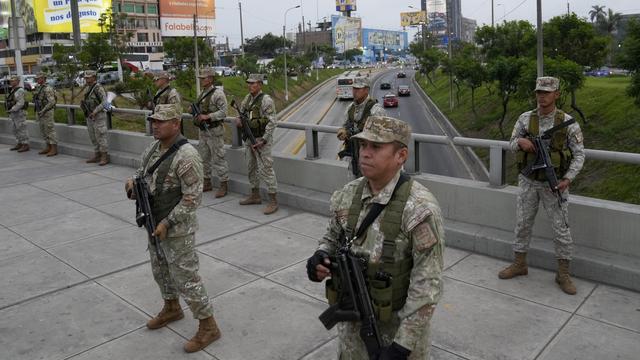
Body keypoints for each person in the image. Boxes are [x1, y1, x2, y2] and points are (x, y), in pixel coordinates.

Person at [307, 116, 445, 360]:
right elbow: (333, 236)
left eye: (376, 147)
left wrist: (401, 347)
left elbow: (427, 285)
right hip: (352, 329)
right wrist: (321, 255)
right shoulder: (349, 193)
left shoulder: (419, 209)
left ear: (401, 155)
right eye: (362, 145)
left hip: (396, 335)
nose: (365, 154)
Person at [125, 104, 221, 353]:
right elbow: (141, 173)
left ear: (176, 124)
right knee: (161, 271)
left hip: (177, 229)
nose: (155, 125)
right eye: (153, 120)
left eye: (161, 121)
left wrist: (168, 222)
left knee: (187, 279)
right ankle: (171, 308)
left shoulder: (187, 155)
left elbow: (192, 198)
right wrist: (132, 185)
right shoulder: (153, 148)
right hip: (153, 221)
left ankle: (208, 326)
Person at [498, 76, 585, 295]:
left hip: (554, 185)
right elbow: (510, 144)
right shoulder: (525, 119)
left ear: (556, 94)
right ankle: (520, 264)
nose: (542, 96)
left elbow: (579, 155)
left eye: (547, 92)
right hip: (528, 182)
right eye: (539, 92)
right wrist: (521, 143)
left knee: (561, 229)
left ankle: (563, 274)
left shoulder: (568, 122)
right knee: (522, 224)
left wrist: (567, 179)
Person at [234, 73, 279, 214]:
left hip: (261, 140)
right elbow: (241, 114)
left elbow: (272, 122)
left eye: (253, 83)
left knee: (266, 169)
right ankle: (255, 195)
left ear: (260, 84)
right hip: (249, 139)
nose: (250, 85)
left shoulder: (266, 100)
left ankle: (273, 200)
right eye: (249, 83)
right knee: (250, 167)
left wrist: (264, 139)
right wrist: (238, 120)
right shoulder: (247, 99)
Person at [337, 77, 386, 177]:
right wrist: (343, 131)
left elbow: (381, 136)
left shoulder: (375, 109)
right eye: (353, 88)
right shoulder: (350, 108)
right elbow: (344, 125)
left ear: (366, 90)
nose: (354, 92)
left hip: (370, 156)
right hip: (354, 155)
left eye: (358, 89)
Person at [194, 68, 229, 197]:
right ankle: (207, 182)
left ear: (210, 79)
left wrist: (208, 116)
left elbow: (224, 112)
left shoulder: (218, 94)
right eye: (201, 78)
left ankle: (223, 185)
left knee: (218, 158)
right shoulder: (202, 93)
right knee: (204, 158)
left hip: (214, 131)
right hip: (203, 132)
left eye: (203, 78)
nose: (202, 80)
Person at [81, 70, 109, 165]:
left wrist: (95, 111)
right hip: (90, 116)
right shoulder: (87, 88)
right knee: (93, 136)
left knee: (101, 136)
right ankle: (97, 155)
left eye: (88, 77)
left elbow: (105, 102)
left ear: (94, 77)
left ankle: (104, 156)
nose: (86, 79)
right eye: (86, 78)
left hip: (98, 116)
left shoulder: (98, 88)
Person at [33, 72, 58, 156]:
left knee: (50, 130)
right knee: (43, 130)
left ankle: (54, 148)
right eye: (36, 78)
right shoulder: (39, 88)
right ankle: (48, 146)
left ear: (43, 79)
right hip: (40, 111)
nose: (37, 80)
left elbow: (52, 102)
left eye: (39, 78)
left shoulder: (48, 88)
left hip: (47, 112)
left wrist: (43, 110)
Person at [5, 75, 29, 152]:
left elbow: (21, 103)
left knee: (21, 128)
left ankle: (25, 144)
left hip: (19, 113)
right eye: (11, 81)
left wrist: (12, 109)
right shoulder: (13, 90)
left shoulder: (20, 90)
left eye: (13, 80)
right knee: (15, 129)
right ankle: (19, 143)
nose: (11, 82)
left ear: (18, 81)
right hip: (14, 113)